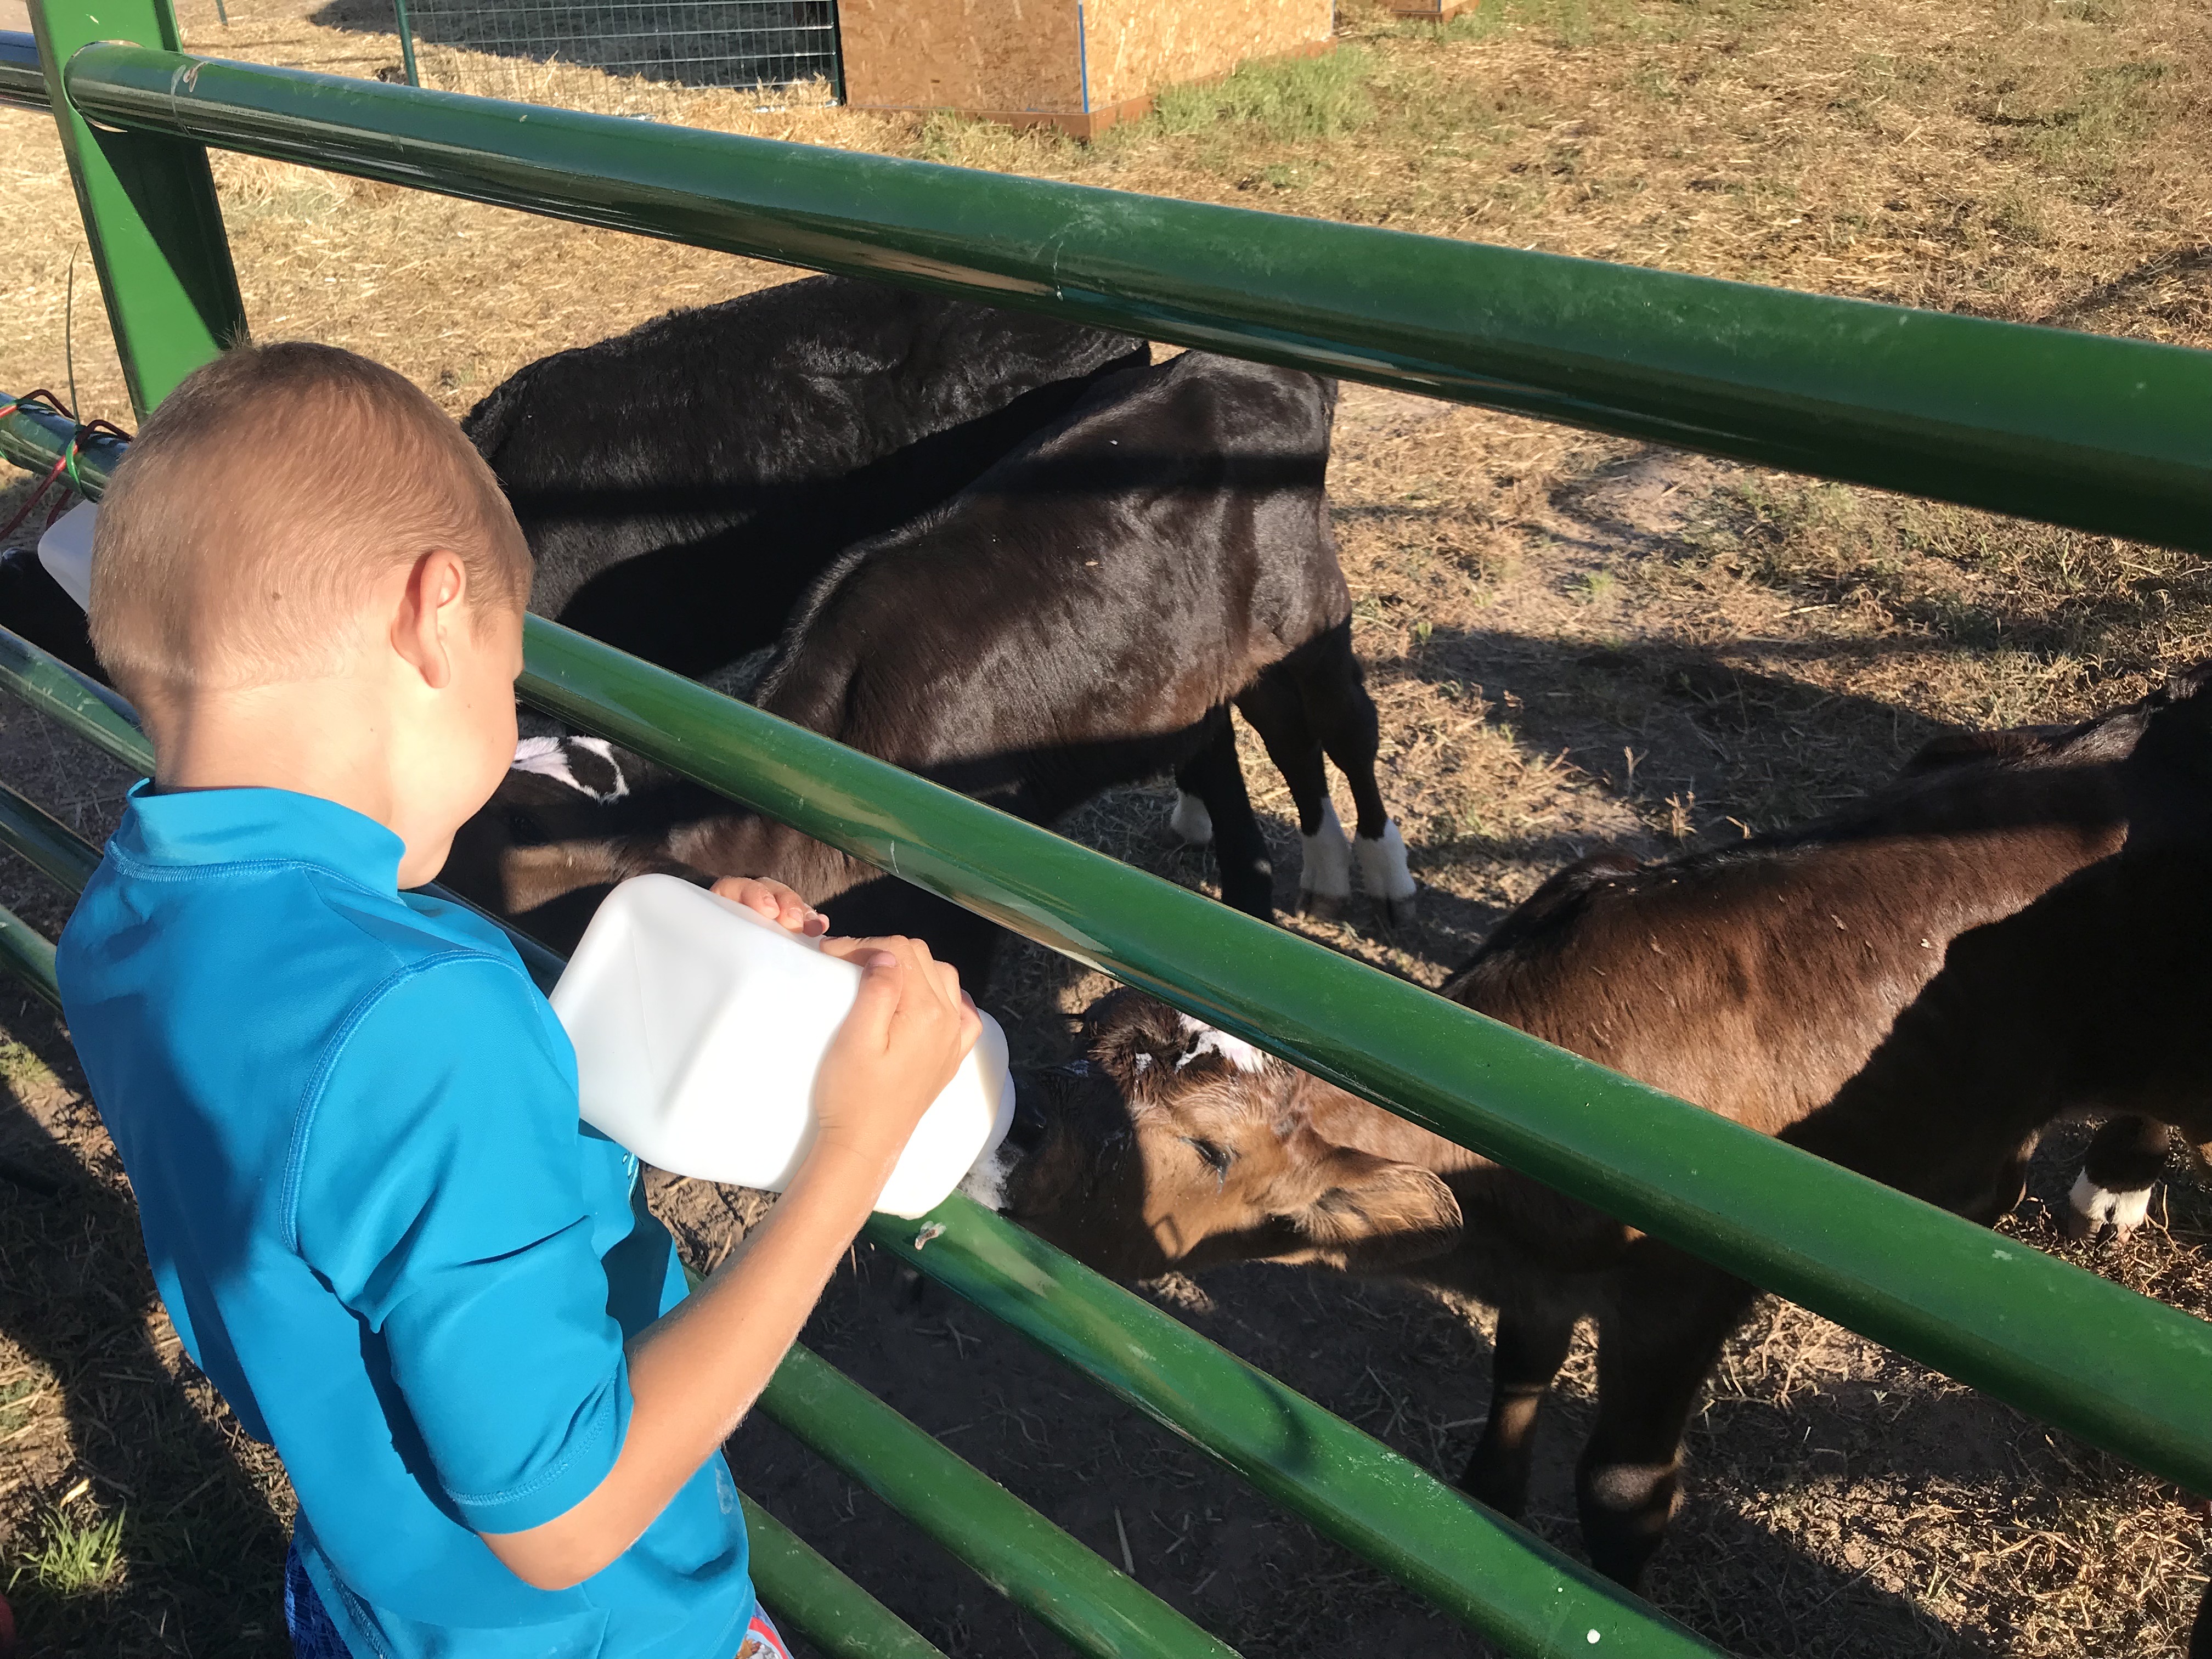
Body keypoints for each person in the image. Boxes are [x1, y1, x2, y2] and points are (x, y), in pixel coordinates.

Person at [56, 341, 981, 1658]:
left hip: (378, 1604)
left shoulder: (131, 918)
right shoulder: (422, 1008)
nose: (512, 718)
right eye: (511, 671)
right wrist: (855, 1152)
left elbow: (360, 1180)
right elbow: (571, 1517)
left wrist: (677, 986)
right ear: (438, 615)